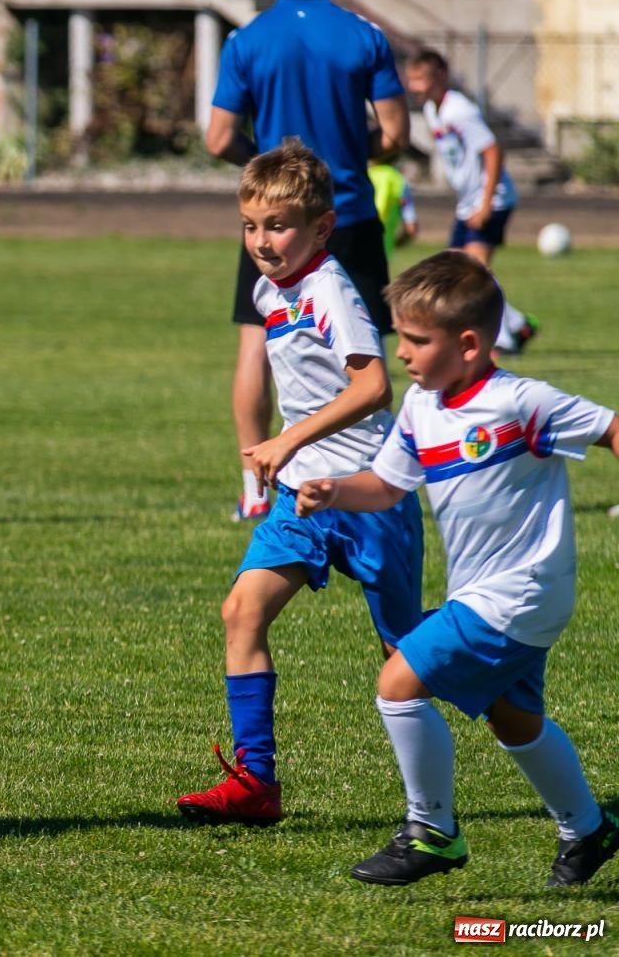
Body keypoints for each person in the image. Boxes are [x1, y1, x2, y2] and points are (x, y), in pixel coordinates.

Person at [296, 250, 619, 887]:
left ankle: (432, 831)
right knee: (514, 721)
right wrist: (335, 490)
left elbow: (612, 429)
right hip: (486, 592)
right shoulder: (422, 407)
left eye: (417, 341)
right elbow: (387, 486)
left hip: (520, 591)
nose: (402, 354)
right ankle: (588, 829)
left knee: (398, 681)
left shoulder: (521, 403)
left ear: (468, 344)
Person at [177, 141, 423, 826]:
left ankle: (504, 706)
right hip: (303, 498)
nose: (262, 241)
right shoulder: (270, 290)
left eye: (279, 226)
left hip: (369, 494)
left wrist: (288, 438)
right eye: (250, 226)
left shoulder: (330, 291)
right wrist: (292, 455)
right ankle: (256, 782)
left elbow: (373, 387)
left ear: (322, 228)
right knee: (242, 611)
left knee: (406, 659)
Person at [206, 0, 410, 522]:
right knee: (366, 351)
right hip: (347, 212)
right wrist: (346, 154)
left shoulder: (247, 39)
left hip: (275, 222)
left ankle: (255, 483)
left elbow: (218, 138)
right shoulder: (365, 36)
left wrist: (267, 173)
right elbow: (395, 133)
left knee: (256, 343)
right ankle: (373, 481)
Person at [405, 49, 538, 354]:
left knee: (474, 273)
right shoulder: (433, 110)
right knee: (455, 269)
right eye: (410, 80)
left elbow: (493, 151)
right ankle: (517, 324)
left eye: (420, 79)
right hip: (469, 202)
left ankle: (502, 338)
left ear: (440, 76)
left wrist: (485, 203)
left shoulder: (459, 111)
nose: (414, 87)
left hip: (491, 200)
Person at [367, 152, 417, 256]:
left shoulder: (363, 176)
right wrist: (396, 243)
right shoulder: (399, 181)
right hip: (383, 247)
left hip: (355, 239)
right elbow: (411, 228)